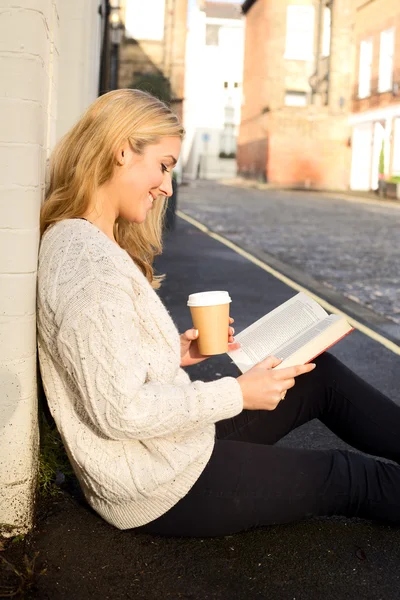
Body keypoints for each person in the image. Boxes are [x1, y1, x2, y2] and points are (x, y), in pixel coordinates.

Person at [37, 89, 400, 538]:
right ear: (123, 151)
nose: (168, 186)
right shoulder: (85, 263)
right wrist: (238, 394)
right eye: (165, 165)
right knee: (351, 476)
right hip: (157, 486)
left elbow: (106, 363)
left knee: (313, 373)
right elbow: (120, 410)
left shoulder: (90, 242)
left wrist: (175, 351)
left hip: (168, 446)